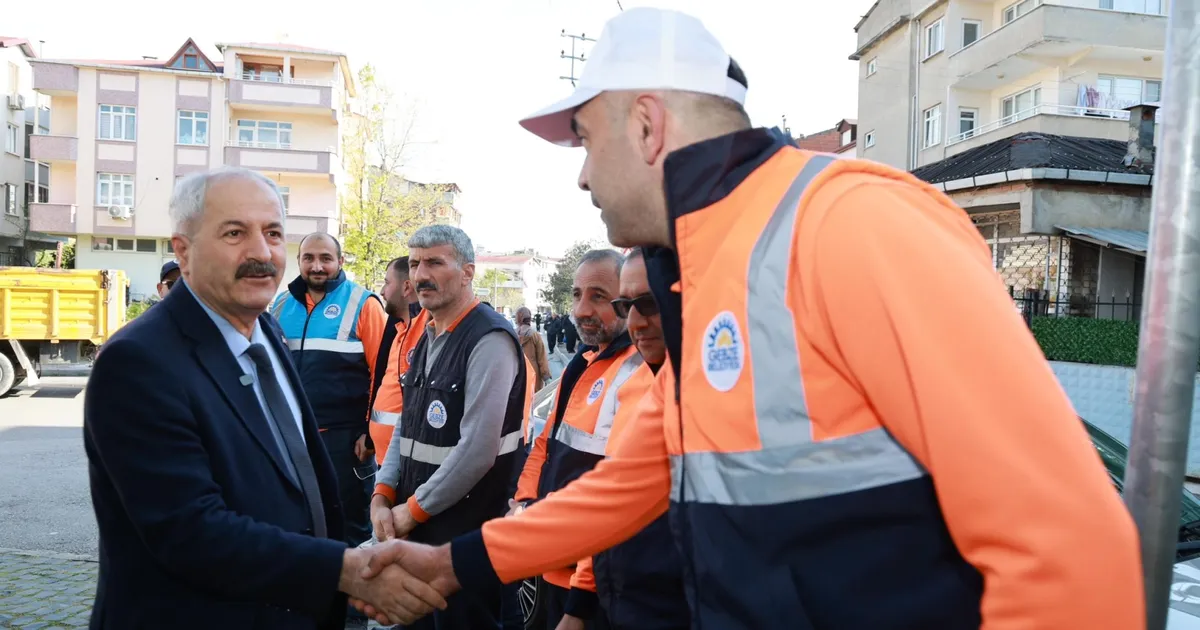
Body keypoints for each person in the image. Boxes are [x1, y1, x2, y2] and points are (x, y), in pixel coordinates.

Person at [355, 7, 1144, 630]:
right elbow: (631, 483)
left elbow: (1067, 552)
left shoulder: (849, 224)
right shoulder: (704, 273)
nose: (584, 177)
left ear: (647, 125)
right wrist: (456, 564)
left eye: (587, 142)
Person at [82, 166, 447, 629]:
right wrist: (345, 571)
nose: (261, 252)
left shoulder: (266, 330)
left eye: (273, 233)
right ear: (184, 251)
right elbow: (190, 532)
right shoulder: (139, 362)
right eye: (234, 233)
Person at [371, 225, 527, 630]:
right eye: (415, 264)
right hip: (421, 531)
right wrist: (382, 494)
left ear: (468, 272)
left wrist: (411, 511)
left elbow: (477, 450)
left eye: (435, 263)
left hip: (465, 543)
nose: (420, 275)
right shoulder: (429, 333)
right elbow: (407, 423)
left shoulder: (489, 339)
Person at [510, 249, 640, 630]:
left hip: (595, 584)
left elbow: (616, 497)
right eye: (577, 294)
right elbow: (544, 445)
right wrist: (524, 505)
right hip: (553, 563)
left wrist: (582, 596)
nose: (582, 309)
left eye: (598, 296)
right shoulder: (581, 364)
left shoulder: (636, 371)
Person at [560, 247, 687, 630]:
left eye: (648, 304)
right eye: (625, 306)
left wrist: (459, 562)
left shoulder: (718, 388)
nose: (634, 322)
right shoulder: (634, 383)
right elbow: (608, 498)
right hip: (612, 593)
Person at [270, 233, 387, 566]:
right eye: (309, 258)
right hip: (292, 436)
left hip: (346, 441)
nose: (317, 266)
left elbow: (383, 373)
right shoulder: (280, 305)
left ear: (340, 261)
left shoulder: (364, 304)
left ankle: (353, 598)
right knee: (298, 518)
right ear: (299, 261)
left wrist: (369, 432)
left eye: (325, 258)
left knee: (350, 525)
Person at [367, 256, 429, 468]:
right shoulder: (401, 331)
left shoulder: (429, 327)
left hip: (409, 463)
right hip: (387, 461)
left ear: (406, 287)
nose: (382, 291)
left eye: (387, 282)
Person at [516, 306, 552, 392]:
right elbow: (541, 357)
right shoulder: (534, 335)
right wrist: (546, 376)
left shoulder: (513, 334)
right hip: (533, 373)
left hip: (517, 374)